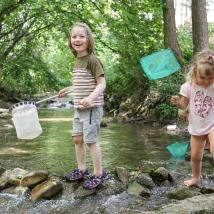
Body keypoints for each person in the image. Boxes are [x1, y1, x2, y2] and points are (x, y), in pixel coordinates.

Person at [58, 22, 106, 189]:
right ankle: (82, 169)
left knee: (91, 141)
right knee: (77, 139)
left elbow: (101, 84)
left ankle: (99, 174)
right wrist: (68, 90)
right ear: (70, 40)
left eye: (81, 36)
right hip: (79, 108)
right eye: (74, 36)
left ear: (88, 39)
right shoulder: (77, 60)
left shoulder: (93, 60)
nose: (77, 39)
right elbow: (81, 85)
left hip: (92, 108)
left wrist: (91, 98)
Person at [171, 49, 214, 187]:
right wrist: (178, 102)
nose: (206, 81)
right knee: (195, 157)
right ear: (195, 73)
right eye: (202, 78)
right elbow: (184, 105)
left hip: (212, 124)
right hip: (196, 126)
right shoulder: (188, 86)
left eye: (211, 77)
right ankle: (196, 178)